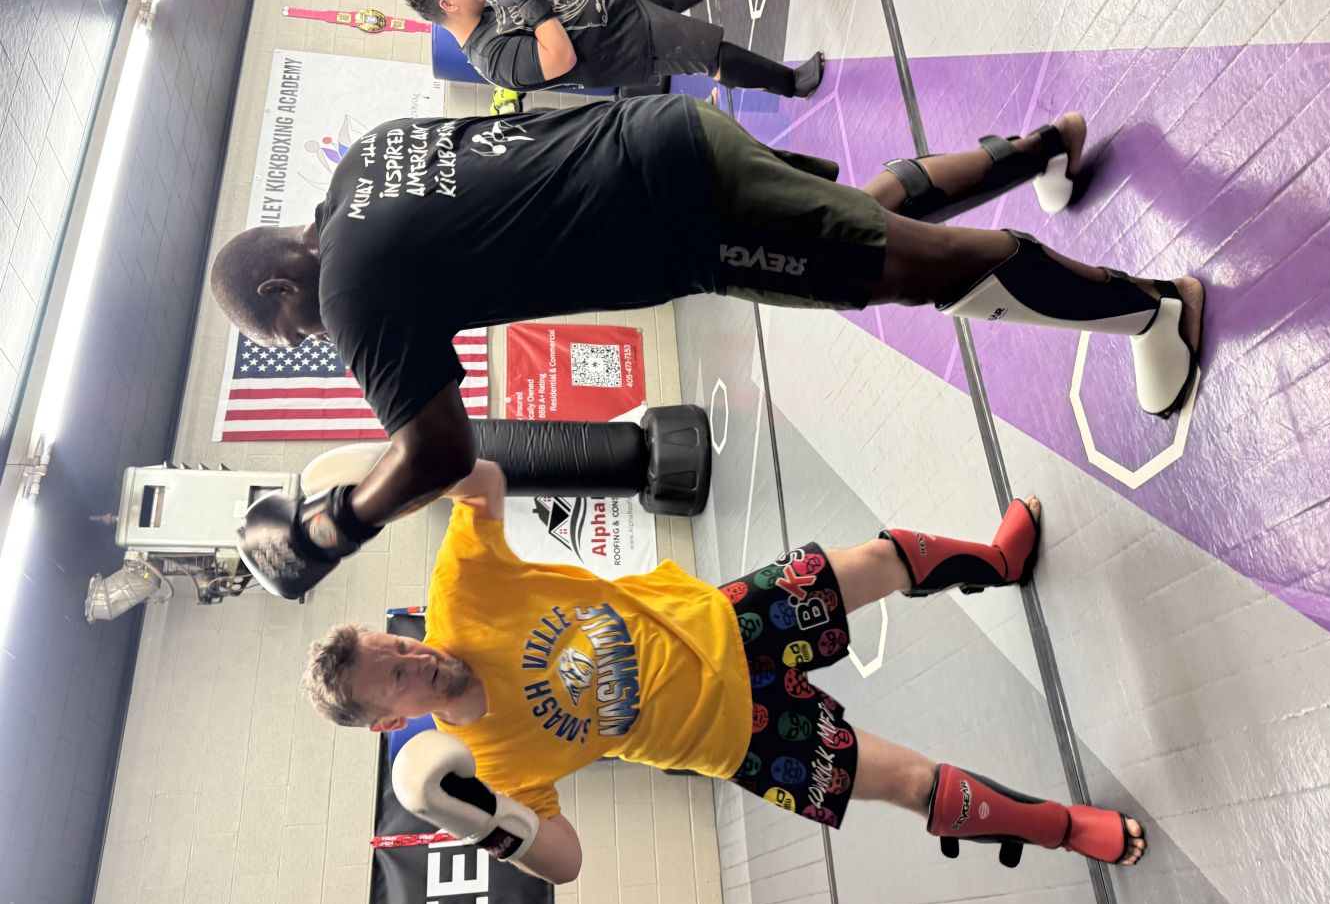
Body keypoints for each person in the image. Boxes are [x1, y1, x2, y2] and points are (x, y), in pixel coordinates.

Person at [209, 97, 1204, 600]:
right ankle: (1047, 145)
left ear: (280, 288)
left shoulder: (348, 287)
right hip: (663, 133)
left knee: (907, 268)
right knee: (860, 215)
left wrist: (332, 529)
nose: (314, 336)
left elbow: (438, 452)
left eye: (292, 329)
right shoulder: (370, 159)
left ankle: (1154, 311)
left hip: (676, 215)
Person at [301, 461, 1146, 884]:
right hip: (732, 740)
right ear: (390, 722)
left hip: (726, 623)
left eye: (395, 646)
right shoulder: (484, 767)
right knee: (914, 785)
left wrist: (387, 478)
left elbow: (482, 480)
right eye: (396, 678)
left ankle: (997, 560)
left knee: (881, 559)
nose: (416, 657)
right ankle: (1062, 827)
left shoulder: (461, 593)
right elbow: (566, 861)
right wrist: (482, 820)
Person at [399, 0, 823, 97]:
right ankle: (791, 85)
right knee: (710, 54)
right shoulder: (492, 59)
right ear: (448, 5)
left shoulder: (486, 10)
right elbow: (559, 57)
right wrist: (530, 3)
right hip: (626, 41)